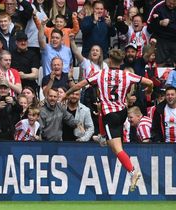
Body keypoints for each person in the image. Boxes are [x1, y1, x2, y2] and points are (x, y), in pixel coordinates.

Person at [64, 48, 154, 191]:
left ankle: (132, 171)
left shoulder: (100, 74)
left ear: (109, 60)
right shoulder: (128, 75)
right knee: (100, 108)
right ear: (121, 61)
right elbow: (149, 82)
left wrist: (66, 94)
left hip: (110, 116)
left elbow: (80, 85)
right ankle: (102, 136)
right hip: (122, 112)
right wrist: (149, 91)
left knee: (117, 149)